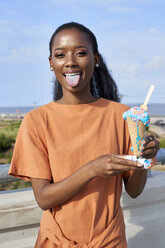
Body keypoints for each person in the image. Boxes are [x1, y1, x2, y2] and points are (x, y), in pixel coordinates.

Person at [9, 22, 159, 248]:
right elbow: (43, 198)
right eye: (60, 55)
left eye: (80, 53)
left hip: (109, 242)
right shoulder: (36, 121)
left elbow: (134, 190)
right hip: (56, 243)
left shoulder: (124, 116)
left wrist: (144, 159)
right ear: (51, 63)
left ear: (96, 59)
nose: (70, 61)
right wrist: (92, 169)